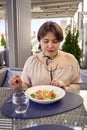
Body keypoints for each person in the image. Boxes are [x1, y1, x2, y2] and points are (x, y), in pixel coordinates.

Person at [8, 21, 82, 92]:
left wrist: (64, 88)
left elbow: (77, 85)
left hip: (65, 103)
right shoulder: (31, 61)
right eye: (46, 41)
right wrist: (19, 85)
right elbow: (26, 85)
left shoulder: (70, 59)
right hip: (37, 103)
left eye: (55, 41)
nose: (50, 45)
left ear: (60, 41)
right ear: (39, 41)